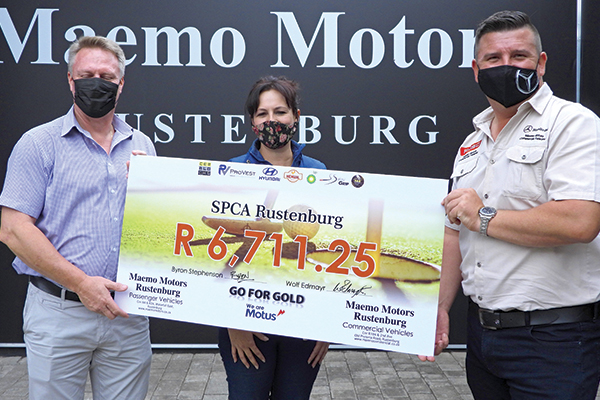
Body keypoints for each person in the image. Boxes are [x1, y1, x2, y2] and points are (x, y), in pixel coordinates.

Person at [420, 10, 600, 400]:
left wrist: (483, 216)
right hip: (484, 339)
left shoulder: (573, 124)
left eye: (519, 56)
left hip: (554, 340)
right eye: (493, 58)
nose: (506, 66)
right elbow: (453, 234)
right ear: (476, 70)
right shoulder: (473, 141)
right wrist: (439, 307)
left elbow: (580, 221)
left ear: (541, 63)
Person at [0, 36, 156, 400]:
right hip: (59, 311)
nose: (96, 83)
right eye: (87, 75)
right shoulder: (38, 143)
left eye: (107, 76)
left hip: (127, 315)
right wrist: (82, 283)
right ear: (71, 80)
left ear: (121, 84)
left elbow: (156, 226)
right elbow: (13, 230)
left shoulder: (142, 146)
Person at [219, 76, 329, 399]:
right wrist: (233, 324)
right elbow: (219, 253)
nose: (272, 121)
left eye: (280, 112)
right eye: (263, 114)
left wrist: (328, 323)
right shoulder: (232, 171)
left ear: (296, 116)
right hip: (245, 321)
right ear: (252, 122)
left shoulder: (320, 172)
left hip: (304, 323)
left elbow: (328, 249)